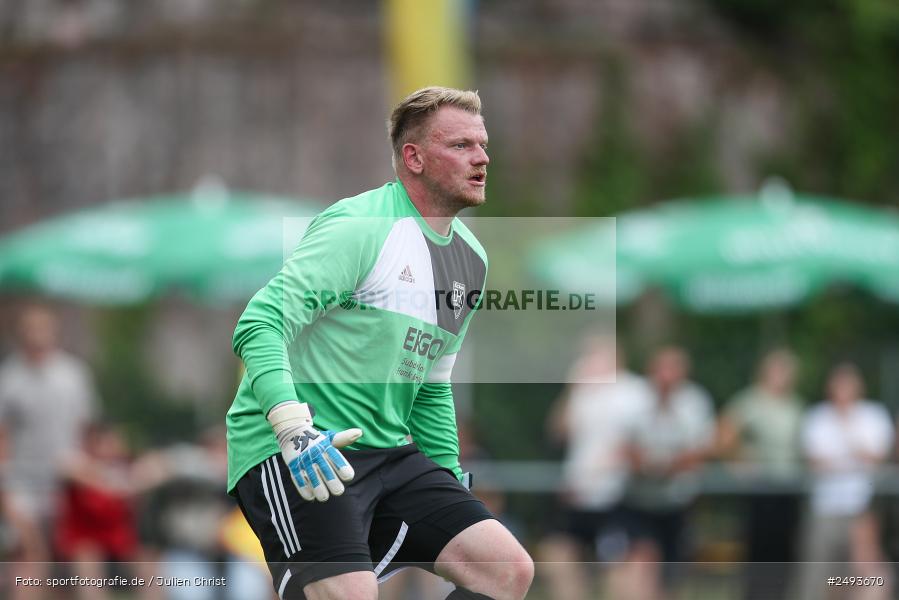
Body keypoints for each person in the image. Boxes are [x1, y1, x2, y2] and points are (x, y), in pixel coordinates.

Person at [226, 87, 533, 600]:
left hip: (390, 452)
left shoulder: (471, 259)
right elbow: (258, 323)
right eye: (460, 145)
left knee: (506, 570)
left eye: (482, 144)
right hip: (304, 449)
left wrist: (451, 479)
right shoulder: (360, 228)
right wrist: (292, 427)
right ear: (413, 157)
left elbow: (431, 385)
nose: (482, 158)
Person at [538, 335, 651, 600]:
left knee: (618, 568)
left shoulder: (635, 391)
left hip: (615, 497)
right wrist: (571, 390)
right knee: (557, 555)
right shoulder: (583, 391)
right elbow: (558, 432)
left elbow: (639, 443)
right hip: (577, 495)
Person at [620, 346, 715, 600]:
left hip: (678, 501)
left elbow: (701, 449)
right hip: (639, 499)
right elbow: (625, 447)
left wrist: (664, 465)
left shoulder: (695, 402)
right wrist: (655, 465)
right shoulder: (634, 398)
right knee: (643, 559)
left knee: (672, 573)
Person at [798, 363, 893, 600]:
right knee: (820, 573)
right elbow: (815, 460)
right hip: (826, 509)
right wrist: (855, 456)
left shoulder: (874, 414)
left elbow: (878, 456)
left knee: (864, 574)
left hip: (862, 510)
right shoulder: (817, 416)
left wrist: (846, 441)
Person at [0, 304, 98, 535]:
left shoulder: (73, 374)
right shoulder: (9, 377)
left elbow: (87, 427)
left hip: (68, 478)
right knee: (29, 550)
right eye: (31, 328)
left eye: (42, 328)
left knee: (76, 548)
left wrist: (88, 469)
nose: (36, 334)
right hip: (22, 480)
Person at [717, 349, 803, 600]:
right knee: (758, 552)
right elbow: (724, 433)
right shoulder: (752, 400)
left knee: (785, 552)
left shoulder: (794, 404)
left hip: (788, 489)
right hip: (762, 490)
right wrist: (738, 463)